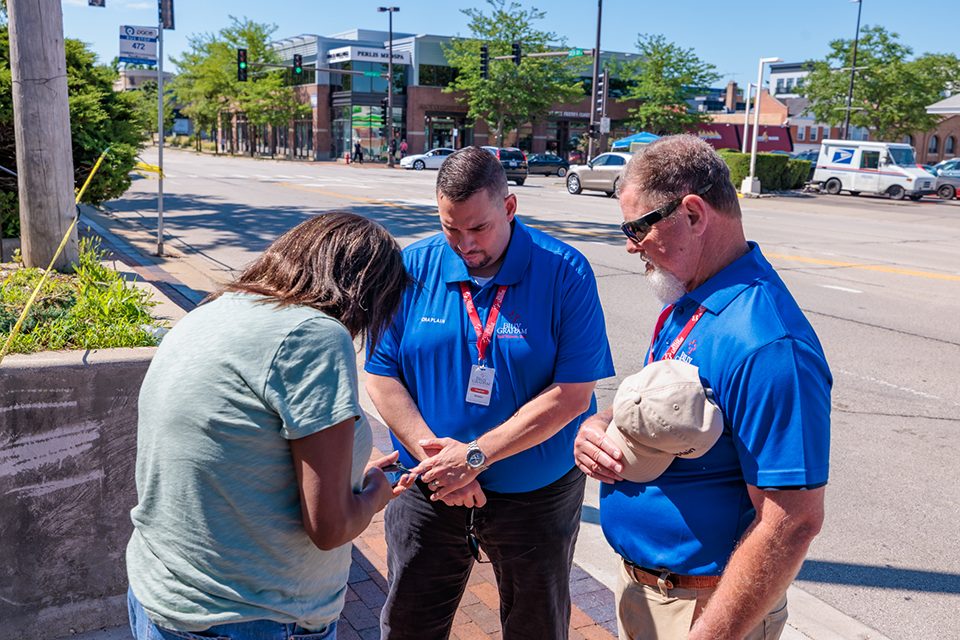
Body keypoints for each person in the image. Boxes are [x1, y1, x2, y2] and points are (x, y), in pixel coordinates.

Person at [574, 135, 831, 640]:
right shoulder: (689, 299)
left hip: (706, 609)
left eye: (637, 227)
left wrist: (711, 634)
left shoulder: (769, 343)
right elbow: (660, 411)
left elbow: (791, 522)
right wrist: (600, 424)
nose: (630, 244)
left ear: (692, 214)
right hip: (654, 594)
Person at [365, 145, 615, 640]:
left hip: (534, 497)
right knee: (408, 623)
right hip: (430, 486)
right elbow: (380, 374)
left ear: (509, 207)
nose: (463, 243)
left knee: (535, 626)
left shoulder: (565, 272)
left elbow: (572, 393)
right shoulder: (412, 267)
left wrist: (474, 458)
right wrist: (440, 464)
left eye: (477, 228)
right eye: (450, 228)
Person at [126, 212, 414, 640]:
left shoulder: (217, 309)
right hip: (251, 615)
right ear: (366, 292)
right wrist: (375, 493)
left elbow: (244, 447)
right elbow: (330, 528)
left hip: (163, 594)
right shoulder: (315, 335)